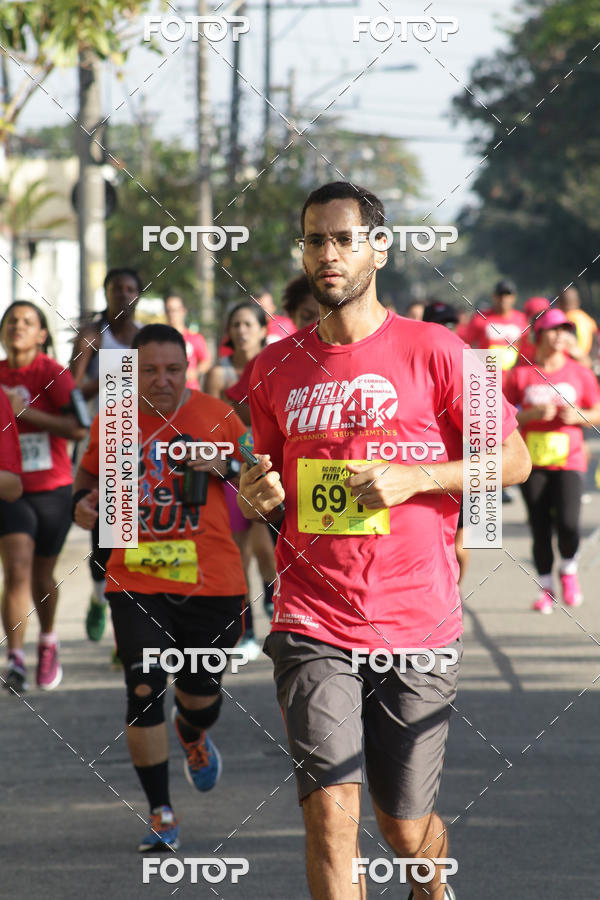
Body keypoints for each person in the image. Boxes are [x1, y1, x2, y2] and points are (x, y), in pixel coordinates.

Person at [238, 181, 531, 900]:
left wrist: (416, 478)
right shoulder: (273, 366)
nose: (328, 253)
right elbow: (262, 476)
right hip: (311, 616)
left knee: (403, 826)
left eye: (343, 238)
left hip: (416, 619)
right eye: (314, 239)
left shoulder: (435, 350)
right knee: (331, 818)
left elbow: (516, 460)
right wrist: (256, 496)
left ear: (380, 246)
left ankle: (430, 882)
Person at [72, 324, 247, 851]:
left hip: (212, 577)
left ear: (187, 369)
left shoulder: (216, 413)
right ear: (133, 371)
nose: (162, 381)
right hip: (137, 575)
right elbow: (85, 486)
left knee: (201, 697)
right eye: (149, 371)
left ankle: (192, 732)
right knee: (144, 686)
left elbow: (261, 475)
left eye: (173, 370)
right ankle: (161, 812)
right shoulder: (114, 422)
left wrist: (224, 463)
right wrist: (82, 506)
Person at [0, 301, 87, 693]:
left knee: (40, 575)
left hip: (51, 486)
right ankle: (15, 658)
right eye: (12, 321)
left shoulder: (53, 374)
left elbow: (78, 429)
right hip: (8, 488)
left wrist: (27, 413)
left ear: (42, 335)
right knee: (16, 568)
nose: (18, 326)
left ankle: (48, 640)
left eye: (28, 322)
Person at [504, 309, 600, 613]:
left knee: (569, 524)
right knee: (540, 526)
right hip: (531, 462)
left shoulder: (579, 373)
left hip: (569, 460)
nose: (561, 336)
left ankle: (568, 569)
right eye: (554, 330)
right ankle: (545, 587)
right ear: (538, 335)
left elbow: (597, 411)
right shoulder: (521, 374)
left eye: (565, 330)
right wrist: (528, 415)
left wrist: (580, 417)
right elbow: (498, 416)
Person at [70, 268, 141, 646]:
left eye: (130, 289)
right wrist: (112, 373)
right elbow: (71, 390)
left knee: (126, 538)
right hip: (101, 445)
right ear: (106, 293)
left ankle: (124, 633)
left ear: (139, 295)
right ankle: (99, 599)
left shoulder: (147, 336)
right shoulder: (93, 337)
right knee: (103, 536)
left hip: (137, 446)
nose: (123, 296)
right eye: (116, 289)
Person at [206, 302, 277, 660]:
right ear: (229, 331)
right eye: (236, 324)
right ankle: (246, 631)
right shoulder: (218, 376)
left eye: (249, 323)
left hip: (265, 467)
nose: (242, 330)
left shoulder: (277, 365)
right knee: (239, 554)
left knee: (266, 550)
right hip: (231, 471)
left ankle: (274, 608)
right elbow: (211, 425)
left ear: (263, 329)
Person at [422, 302, 469, 585]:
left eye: (452, 325)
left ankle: (452, 596)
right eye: (442, 325)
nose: (448, 331)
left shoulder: (473, 363)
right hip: (427, 474)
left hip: (466, 470)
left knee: (460, 547)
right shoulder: (413, 362)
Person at [465, 279, 527, 373]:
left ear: (514, 297)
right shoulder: (480, 318)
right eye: (500, 295)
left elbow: (526, 348)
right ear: (494, 296)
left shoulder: (521, 319)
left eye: (507, 295)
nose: (503, 298)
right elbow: (466, 346)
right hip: (486, 375)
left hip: (512, 374)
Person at [163, 290, 211, 388]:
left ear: (183, 311)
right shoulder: (158, 338)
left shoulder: (195, 338)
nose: (172, 314)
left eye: (175, 310)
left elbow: (206, 361)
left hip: (190, 391)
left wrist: (195, 373)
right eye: (169, 310)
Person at [558, 285, 598, 360]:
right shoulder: (589, 320)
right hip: (590, 363)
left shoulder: (563, 322)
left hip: (574, 363)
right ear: (578, 302)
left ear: (559, 303)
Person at [518, 296, 550, 366]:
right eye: (536, 318)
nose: (541, 321)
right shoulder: (523, 342)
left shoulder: (559, 339)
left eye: (544, 316)